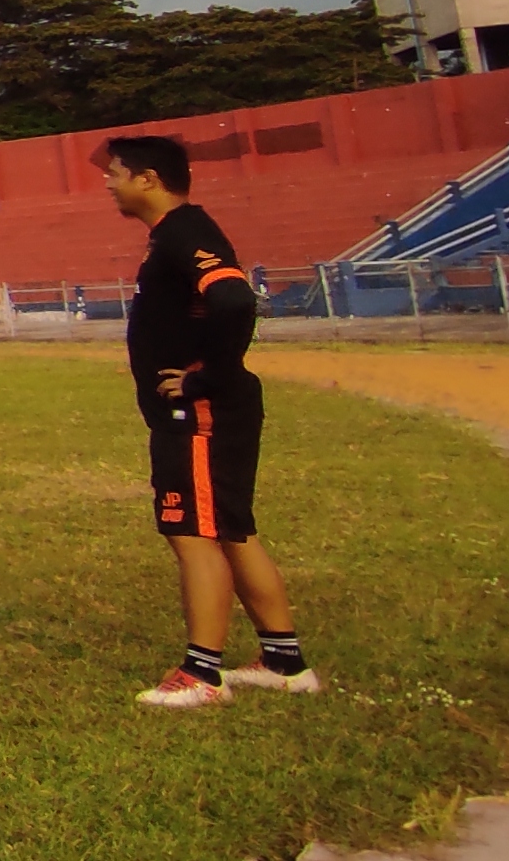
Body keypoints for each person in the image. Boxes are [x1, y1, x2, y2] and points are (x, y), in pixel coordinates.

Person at [102, 135, 317, 709]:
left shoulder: (183, 233)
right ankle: (284, 662)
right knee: (229, 529)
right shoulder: (172, 236)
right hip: (207, 409)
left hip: (200, 413)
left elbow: (234, 301)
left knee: (192, 533)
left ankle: (203, 674)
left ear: (149, 179)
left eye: (117, 173)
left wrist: (204, 378)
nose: (109, 182)